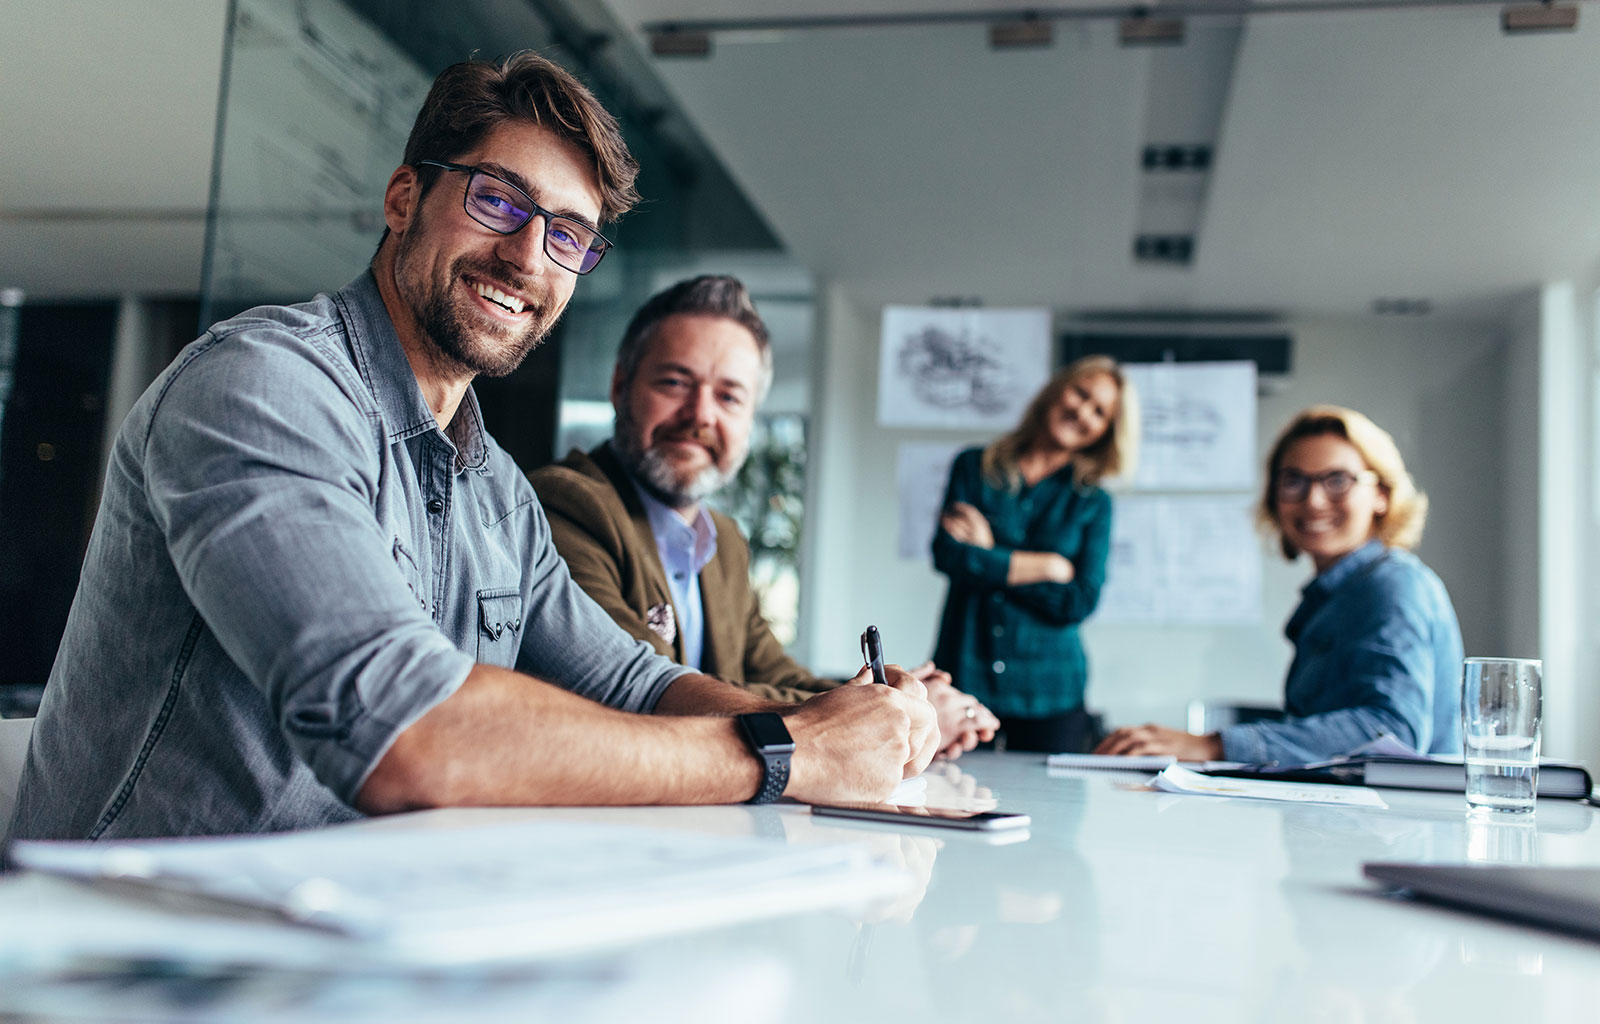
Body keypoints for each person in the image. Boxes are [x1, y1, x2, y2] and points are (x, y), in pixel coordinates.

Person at [5, 53, 938, 843]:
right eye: (499, 202)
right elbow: (406, 732)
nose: (529, 257)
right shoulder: (264, 386)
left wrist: (833, 725)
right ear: (405, 196)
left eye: (568, 236)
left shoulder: (492, 486)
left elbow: (633, 681)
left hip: (346, 935)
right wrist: (788, 753)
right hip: (128, 959)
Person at [530, 276, 998, 759]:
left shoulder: (724, 541)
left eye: (729, 396)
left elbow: (773, 674)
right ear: (620, 386)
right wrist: (884, 714)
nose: (701, 415)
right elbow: (643, 687)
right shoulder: (568, 504)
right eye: (674, 382)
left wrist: (893, 701)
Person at [1097, 404, 1463, 764]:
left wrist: (1215, 745)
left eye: (1338, 480)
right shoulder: (1333, 595)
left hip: (1400, 822)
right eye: (1293, 481)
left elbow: (1392, 731)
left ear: (1381, 493)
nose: (1313, 500)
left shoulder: (1391, 586)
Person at [930, 356, 1138, 754]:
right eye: (1081, 393)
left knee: (1052, 813)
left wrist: (989, 552)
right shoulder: (973, 467)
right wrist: (1047, 566)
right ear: (1057, 390)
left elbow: (1078, 600)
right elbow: (948, 556)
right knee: (948, 799)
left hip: (1051, 692)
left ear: (1106, 432)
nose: (1082, 411)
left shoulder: (1093, 502)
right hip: (965, 674)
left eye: (1099, 411)